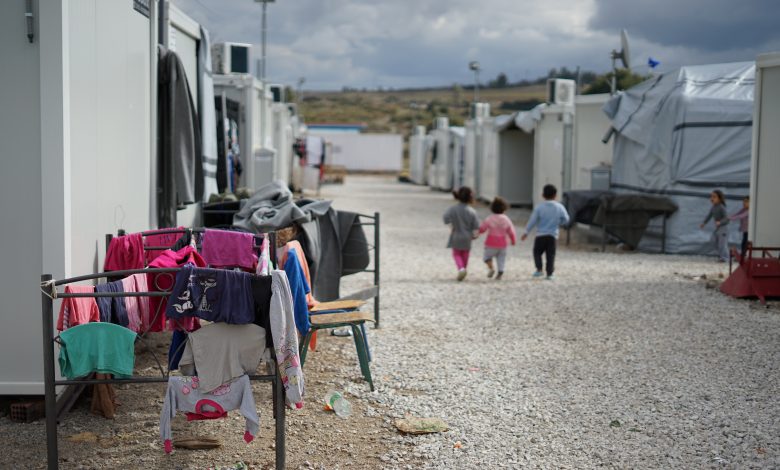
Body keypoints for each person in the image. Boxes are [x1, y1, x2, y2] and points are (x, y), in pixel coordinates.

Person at [521, 184, 570, 280]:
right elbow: (566, 219)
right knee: (550, 255)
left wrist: (526, 232)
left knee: (537, 252)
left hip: (540, 235)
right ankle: (550, 274)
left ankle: (539, 269)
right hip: (553, 235)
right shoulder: (559, 207)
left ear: (543, 195)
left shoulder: (539, 207)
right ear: (555, 195)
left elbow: (532, 220)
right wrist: (560, 223)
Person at [443, 187, 480, 281]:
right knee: (465, 253)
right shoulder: (472, 211)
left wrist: (451, 225)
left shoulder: (452, 209)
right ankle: (464, 268)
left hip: (456, 234)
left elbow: (445, 217)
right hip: (468, 236)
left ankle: (461, 269)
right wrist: (475, 234)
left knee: (456, 254)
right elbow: (476, 225)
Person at [479, 197, 516, 280]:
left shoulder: (489, 218)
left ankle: (491, 268)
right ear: (505, 208)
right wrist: (513, 240)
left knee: (487, 257)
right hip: (503, 243)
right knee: (501, 258)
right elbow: (511, 231)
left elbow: (482, 228)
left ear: (492, 208)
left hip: (491, 243)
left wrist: (479, 232)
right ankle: (500, 271)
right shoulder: (506, 219)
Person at [700, 189, 729, 262]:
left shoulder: (721, 207)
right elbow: (709, 216)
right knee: (713, 240)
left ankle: (725, 258)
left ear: (719, 198)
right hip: (718, 228)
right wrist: (704, 223)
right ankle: (721, 255)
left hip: (723, 228)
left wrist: (720, 222)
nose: (712, 198)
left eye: (714, 197)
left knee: (722, 244)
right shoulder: (713, 207)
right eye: (711, 196)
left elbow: (727, 219)